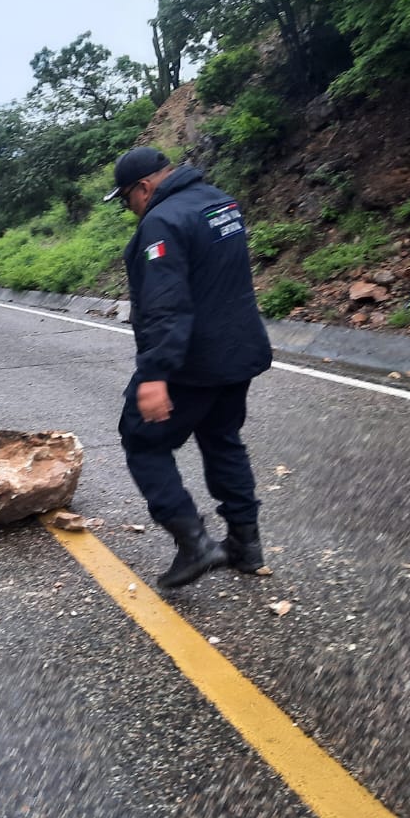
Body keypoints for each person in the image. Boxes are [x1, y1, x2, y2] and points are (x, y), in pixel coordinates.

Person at [103, 147, 273, 589]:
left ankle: (193, 542)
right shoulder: (221, 202)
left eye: (126, 199)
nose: (130, 209)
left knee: (142, 441)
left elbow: (166, 304)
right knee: (222, 439)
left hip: (191, 363)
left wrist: (156, 374)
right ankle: (246, 546)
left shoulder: (162, 221)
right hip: (239, 353)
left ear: (144, 187)